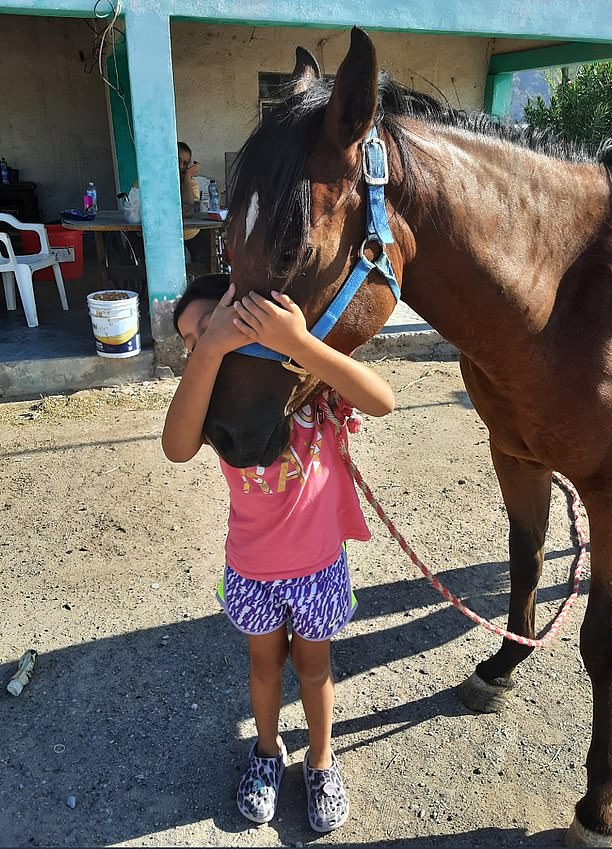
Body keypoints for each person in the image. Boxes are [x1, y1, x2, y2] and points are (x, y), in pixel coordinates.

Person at [162, 274, 395, 833]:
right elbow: (175, 448)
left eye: (213, 326)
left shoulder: (309, 388)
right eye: (193, 340)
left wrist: (299, 343)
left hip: (318, 570)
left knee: (314, 670)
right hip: (252, 571)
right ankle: (267, 752)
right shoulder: (217, 405)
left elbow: (383, 400)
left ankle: (319, 761)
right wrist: (214, 347)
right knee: (263, 666)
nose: (202, 343)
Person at [177, 141, 210, 265]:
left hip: (191, 234)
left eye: (185, 163)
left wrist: (187, 177)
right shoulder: (162, 182)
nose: (181, 166)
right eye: (178, 161)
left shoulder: (191, 183)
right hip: (171, 238)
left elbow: (188, 208)